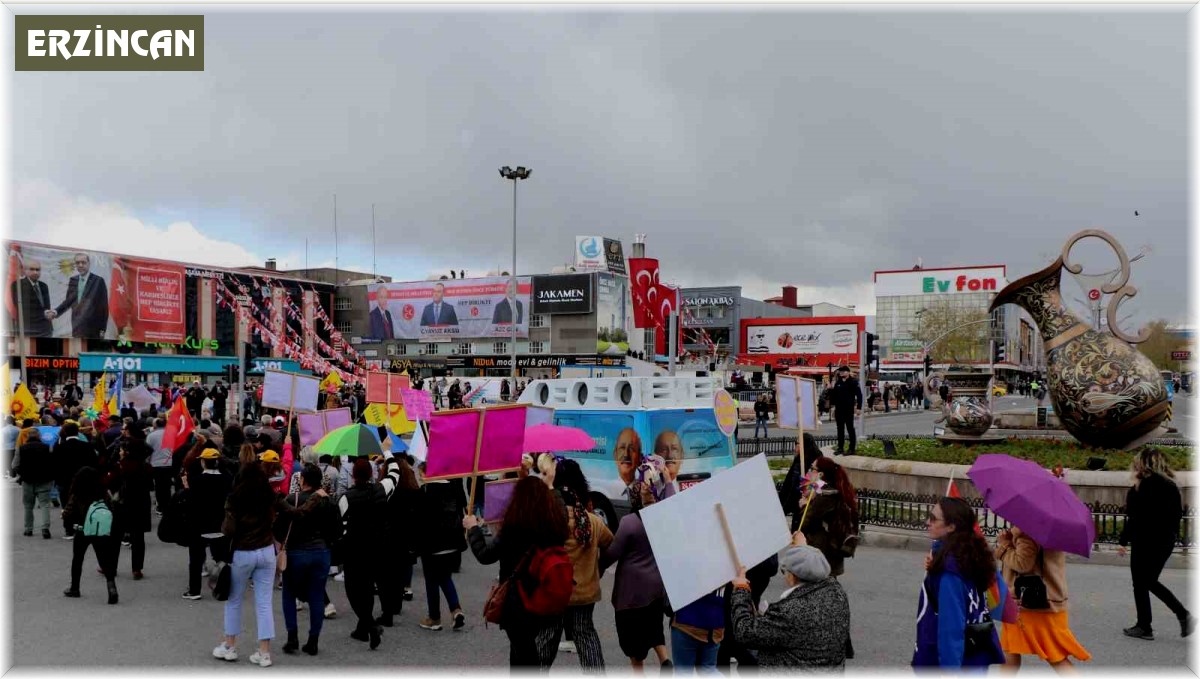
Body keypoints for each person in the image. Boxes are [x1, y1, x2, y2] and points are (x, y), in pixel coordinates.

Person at [464, 476, 570, 668]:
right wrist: (552, 483)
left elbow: (485, 555)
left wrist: (473, 530)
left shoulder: (513, 527)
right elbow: (562, 509)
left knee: (524, 656)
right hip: (541, 595)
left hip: (517, 602)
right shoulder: (555, 526)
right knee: (522, 652)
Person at [729, 532, 850, 668]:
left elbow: (745, 632)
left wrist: (741, 588)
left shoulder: (790, 611)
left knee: (750, 657)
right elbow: (817, 569)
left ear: (792, 577)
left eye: (785, 571)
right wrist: (804, 552)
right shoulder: (836, 591)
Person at [912, 497, 1005, 669]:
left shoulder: (950, 572)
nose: (927, 522)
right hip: (976, 654)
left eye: (933, 518)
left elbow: (951, 629)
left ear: (951, 526)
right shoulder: (972, 556)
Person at [600, 455, 673, 672]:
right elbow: (671, 499)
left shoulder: (629, 523)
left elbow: (612, 553)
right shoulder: (664, 517)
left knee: (635, 647)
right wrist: (668, 481)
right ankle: (665, 661)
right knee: (654, 629)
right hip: (656, 588)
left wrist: (597, 566)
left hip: (631, 593)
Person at [213, 463, 288, 666]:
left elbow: (228, 529)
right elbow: (289, 511)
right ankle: (264, 653)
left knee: (234, 599)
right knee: (264, 602)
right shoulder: (269, 496)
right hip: (266, 551)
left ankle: (230, 646)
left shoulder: (235, 498)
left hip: (243, 552)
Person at [544, 459, 614, 671]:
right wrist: (598, 568)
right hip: (585, 592)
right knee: (585, 634)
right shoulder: (592, 521)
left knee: (547, 635)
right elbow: (611, 544)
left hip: (554, 590)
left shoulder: (550, 519)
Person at [1119, 449, 1195, 640]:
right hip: (1164, 541)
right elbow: (1177, 515)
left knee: (1142, 583)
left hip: (1144, 541)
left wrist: (1123, 541)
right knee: (1148, 581)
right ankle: (1154, 623)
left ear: (1143, 464)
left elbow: (1135, 517)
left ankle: (1151, 624)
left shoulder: (1142, 486)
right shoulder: (1170, 486)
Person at [994, 525, 1091, 670]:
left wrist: (1004, 546)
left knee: (1055, 656)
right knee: (1011, 651)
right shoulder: (1051, 531)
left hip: (1031, 605)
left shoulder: (1027, 532)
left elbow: (1023, 564)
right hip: (1043, 600)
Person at [337, 453, 403, 649]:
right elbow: (395, 473)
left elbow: (340, 525)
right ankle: (363, 628)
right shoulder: (382, 489)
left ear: (353, 475)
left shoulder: (346, 498)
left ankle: (370, 625)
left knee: (354, 590)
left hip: (356, 548)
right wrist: (388, 452)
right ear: (372, 473)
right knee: (369, 587)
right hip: (380, 546)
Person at [278, 464, 343, 657]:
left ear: (302, 480)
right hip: (321, 551)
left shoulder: (292, 500)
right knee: (316, 595)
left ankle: (292, 638)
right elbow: (337, 530)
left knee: (289, 593)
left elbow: (280, 528)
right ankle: (313, 640)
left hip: (296, 552)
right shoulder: (329, 502)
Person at [416, 461, 468, 632]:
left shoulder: (426, 492)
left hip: (432, 544)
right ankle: (456, 609)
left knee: (432, 580)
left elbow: (421, 521)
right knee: (445, 577)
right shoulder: (451, 487)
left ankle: (434, 617)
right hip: (452, 542)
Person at [61, 466, 119, 604]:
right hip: (100, 530)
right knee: (104, 559)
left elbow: (68, 513)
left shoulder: (77, 493)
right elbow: (111, 508)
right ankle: (112, 588)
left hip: (82, 530)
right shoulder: (102, 492)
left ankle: (75, 588)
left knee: (78, 559)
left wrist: (64, 515)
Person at [182, 448, 232, 601]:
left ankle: (194, 590)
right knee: (223, 559)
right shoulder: (227, 478)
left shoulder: (196, 480)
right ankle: (224, 588)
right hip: (221, 524)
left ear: (203, 462)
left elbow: (190, 503)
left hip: (200, 525)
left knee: (195, 560)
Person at [112, 433, 154, 580]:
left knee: (115, 536)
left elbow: (112, 483)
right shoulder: (146, 467)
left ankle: (111, 566)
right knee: (138, 538)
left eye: (122, 449)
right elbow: (150, 486)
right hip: (141, 503)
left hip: (122, 504)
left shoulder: (121, 466)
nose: (120, 452)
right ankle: (137, 568)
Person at [52, 422, 97, 538]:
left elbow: (54, 466)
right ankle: (83, 526)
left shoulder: (59, 447)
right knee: (84, 503)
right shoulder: (87, 446)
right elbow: (94, 464)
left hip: (65, 481)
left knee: (67, 504)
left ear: (65, 432)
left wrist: (57, 480)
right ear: (78, 432)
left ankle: (69, 529)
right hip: (85, 480)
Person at [49, 252, 108, 338]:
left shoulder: (98, 281)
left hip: (94, 329)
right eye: (77, 263)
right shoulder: (73, 280)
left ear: (89, 263)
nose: (80, 265)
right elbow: (68, 302)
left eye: (83, 262)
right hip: (77, 327)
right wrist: (55, 311)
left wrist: (103, 329)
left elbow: (104, 307)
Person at [778, 433, 825, 532]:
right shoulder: (800, 458)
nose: (795, 446)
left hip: (807, 504)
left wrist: (805, 494)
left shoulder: (815, 461)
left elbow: (817, 483)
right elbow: (790, 482)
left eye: (797, 443)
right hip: (798, 503)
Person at [15, 423, 54, 538]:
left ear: (27, 436)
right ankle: (45, 529)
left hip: (27, 481)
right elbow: (52, 463)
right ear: (39, 436)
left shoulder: (21, 449)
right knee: (45, 505)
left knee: (28, 506)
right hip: (44, 480)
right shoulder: (47, 447)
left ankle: (28, 529)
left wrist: (21, 473)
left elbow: (14, 465)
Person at [11, 258, 53, 336]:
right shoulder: (18, 285)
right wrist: (44, 313)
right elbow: (23, 309)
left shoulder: (44, 286)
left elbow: (47, 307)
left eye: (38, 270)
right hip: (29, 330)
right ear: (25, 270)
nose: (35, 272)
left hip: (46, 330)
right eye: (32, 269)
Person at [828, 366, 862, 455]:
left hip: (848, 409)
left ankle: (852, 448)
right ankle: (840, 447)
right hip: (839, 409)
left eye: (843, 371)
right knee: (840, 429)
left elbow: (859, 395)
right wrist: (830, 389)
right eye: (840, 372)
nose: (841, 373)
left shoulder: (853, 382)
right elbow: (834, 396)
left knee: (850, 428)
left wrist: (859, 407)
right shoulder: (838, 382)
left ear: (848, 372)